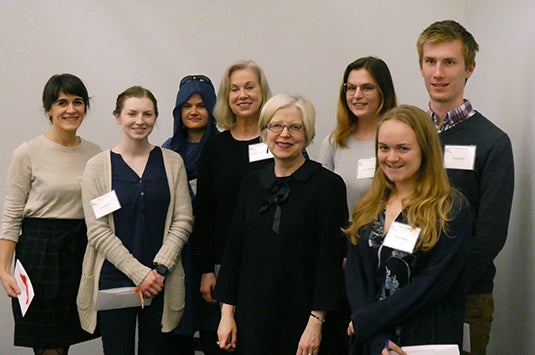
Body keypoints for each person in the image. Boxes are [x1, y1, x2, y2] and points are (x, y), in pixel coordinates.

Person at [215, 92, 347, 354]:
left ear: (307, 134)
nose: (284, 134)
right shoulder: (252, 183)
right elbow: (234, 251)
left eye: (295, 127)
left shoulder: (328, 186)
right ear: (265, 132)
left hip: (304, 322)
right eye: (276, 126)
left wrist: (315, 322)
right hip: (253, 318)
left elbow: (329, 261)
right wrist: (226, 313)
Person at [417, 20, 514, 354]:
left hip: (465, 296)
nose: (438, 73)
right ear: (421, 66)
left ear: (469, 67)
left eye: (450, 62)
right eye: (431, 61)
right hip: (407, 292)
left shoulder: (493, 142)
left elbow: (490, 234)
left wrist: (438, 284)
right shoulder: (408, 134)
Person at [345, 105, 473, 354]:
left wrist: (366, 322)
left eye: (403, 148)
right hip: (373, 342)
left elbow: (430, 286)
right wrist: (375, 340)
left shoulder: (451, 210)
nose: (392, 157)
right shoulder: (370, 206)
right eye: (384, 148)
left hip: (423, 340)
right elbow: (356, 274)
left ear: (425, 151)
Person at [77, 86, 193, 355]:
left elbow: (183, 220)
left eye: (147, 114)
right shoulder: (97, 167)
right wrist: (140, 274)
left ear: (155, 117)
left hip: (161, 280)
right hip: (114, 279)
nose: (140, 121)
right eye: (132, 113)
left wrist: (160, 268)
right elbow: (98, 231)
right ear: (118, 116)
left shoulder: (172, 162)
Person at [0, 73, 101, 355]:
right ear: (49, 109)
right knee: (47, 346)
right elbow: (11, 217)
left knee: (65, 339)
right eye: (61, 102)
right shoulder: (27, 153)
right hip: (39, 253)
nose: (71, 109)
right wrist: (3, 269)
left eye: (77, 102)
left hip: (79, 249)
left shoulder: (96, 154)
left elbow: (104, 209)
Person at [194, 60, 273, 354]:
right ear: (226, 97)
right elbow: (204, 213)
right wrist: (206, 270)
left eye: (249, 86)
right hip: (224, 262)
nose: (243, 94)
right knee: (226, 343)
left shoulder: (280, 139)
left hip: (271, 261)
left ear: (262, 91)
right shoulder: (216, 147)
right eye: (234, 89)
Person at [162, 74, 218, 353]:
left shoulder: (224, 148)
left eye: (201, 105)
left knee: (215, 330)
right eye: (187, 106)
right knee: (178, 330)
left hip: (213, 249)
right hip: (178, 250)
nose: (194, 112)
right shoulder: (166, 151)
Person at [318, 56, 397, 213]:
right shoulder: (333, 142)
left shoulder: (398, 141)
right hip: (345, 234)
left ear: (384, 92)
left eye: (367, 88)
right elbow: (321, 198)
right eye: (351, 88)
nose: (357, 95)